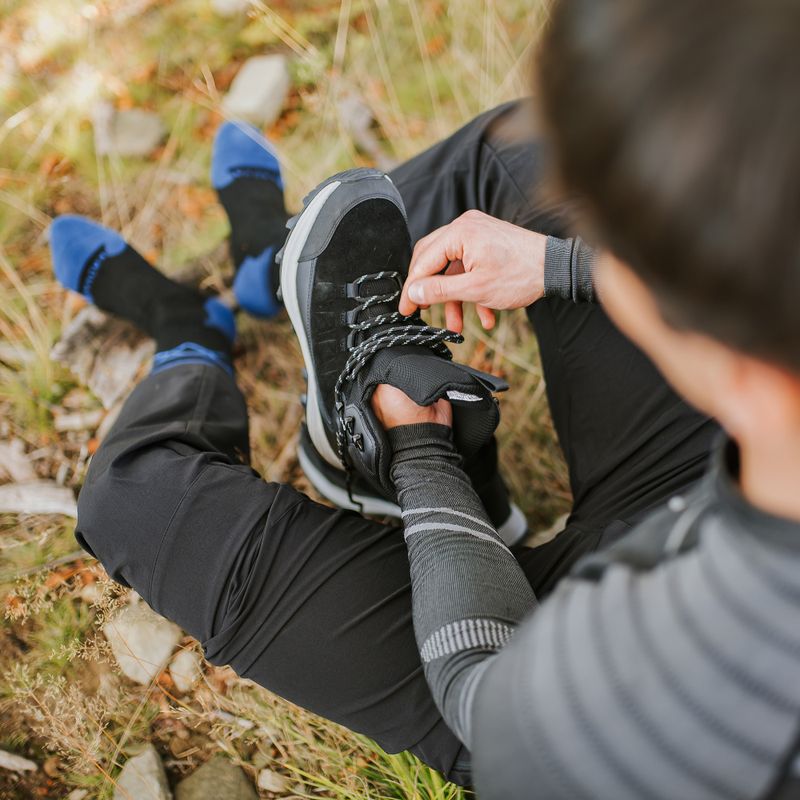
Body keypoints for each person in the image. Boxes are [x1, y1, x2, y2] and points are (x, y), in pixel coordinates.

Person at [49, 1, 800, 798]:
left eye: (643, 250)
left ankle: (188, 330)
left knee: (133, 497)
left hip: (545, 695)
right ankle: (271, 269)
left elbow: (482, 685)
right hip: (725, 481)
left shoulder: (726, 700)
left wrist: (424, 453)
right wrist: (560, 264)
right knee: (522, 155)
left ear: (718, 337)